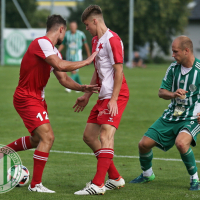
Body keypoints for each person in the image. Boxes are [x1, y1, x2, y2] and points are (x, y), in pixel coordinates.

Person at [2, 14, 98, 193]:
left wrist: (82, 87)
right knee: (48, 138)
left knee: (38, 139)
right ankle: (35, 185)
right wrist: (87, 61)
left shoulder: (54, 50)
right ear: (61, 29)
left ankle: (3, 152)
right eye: (65, 31)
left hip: (37, 99)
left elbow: (63, 78)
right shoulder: (42, 43)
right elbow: (60, 65)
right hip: (27, 98)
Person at [130, 35, 200, 191]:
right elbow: (161, 92)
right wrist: (173, 94)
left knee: (181, 143)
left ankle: (195, 179)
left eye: (175, 52)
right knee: (143, 144)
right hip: (173, 114)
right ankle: (147, 174)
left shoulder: (199, 70)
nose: (173, 55)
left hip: (192, 116)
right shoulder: (173, 68)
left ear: (186, 51)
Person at [73, 5, 129, 195]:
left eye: (87, 25)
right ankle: (115, 178)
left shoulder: (113, 40)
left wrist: (113, 100)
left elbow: (119, 71)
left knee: (105, 136)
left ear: (95, 21)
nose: (86, 28)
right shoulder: (96, 40)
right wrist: (87, 95)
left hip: (116, 95)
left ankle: (97, 184)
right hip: (102, 95)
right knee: (89, 136)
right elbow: (98, 72)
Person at [58, 21, 91, 93]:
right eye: (71, 26)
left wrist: (89, 54)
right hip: (69, 55)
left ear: (76, 27)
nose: (72, 27)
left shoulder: (81, 34)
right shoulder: (67, 34)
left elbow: (85, 44)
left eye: (74, 26)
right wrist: (57, 52)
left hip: (77, 55)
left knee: (74, 71)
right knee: (74, 72)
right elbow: (63, 44)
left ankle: (69, 87)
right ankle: (80, 86)